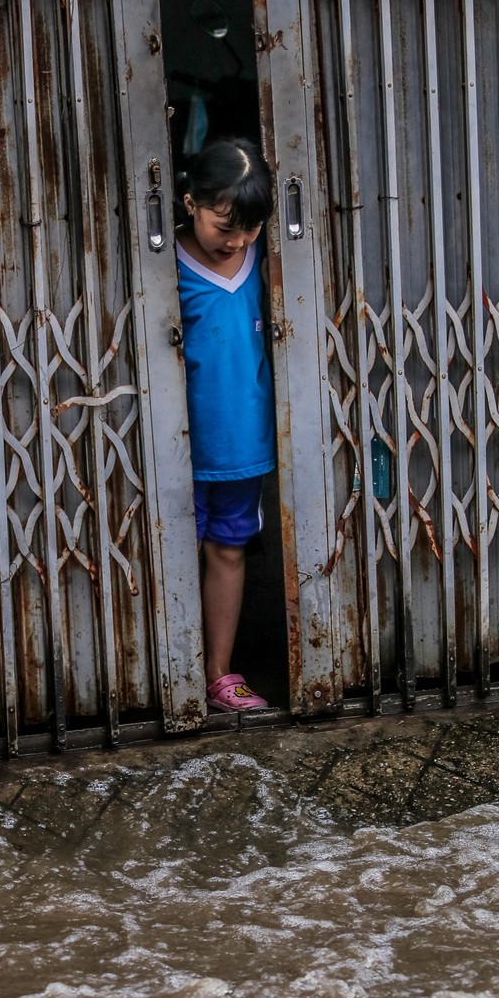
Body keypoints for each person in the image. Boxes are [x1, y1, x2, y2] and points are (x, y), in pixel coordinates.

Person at [176, 137, 276, 712]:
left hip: (243, 444)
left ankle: (219, 673)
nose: (236, 241)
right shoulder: (168, 266)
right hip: (180, 447)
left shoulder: (264, 261)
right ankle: (173, 667)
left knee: (229, 549)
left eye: (249, 230)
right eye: (224, 226)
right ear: (191, 203)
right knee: (172, 548)